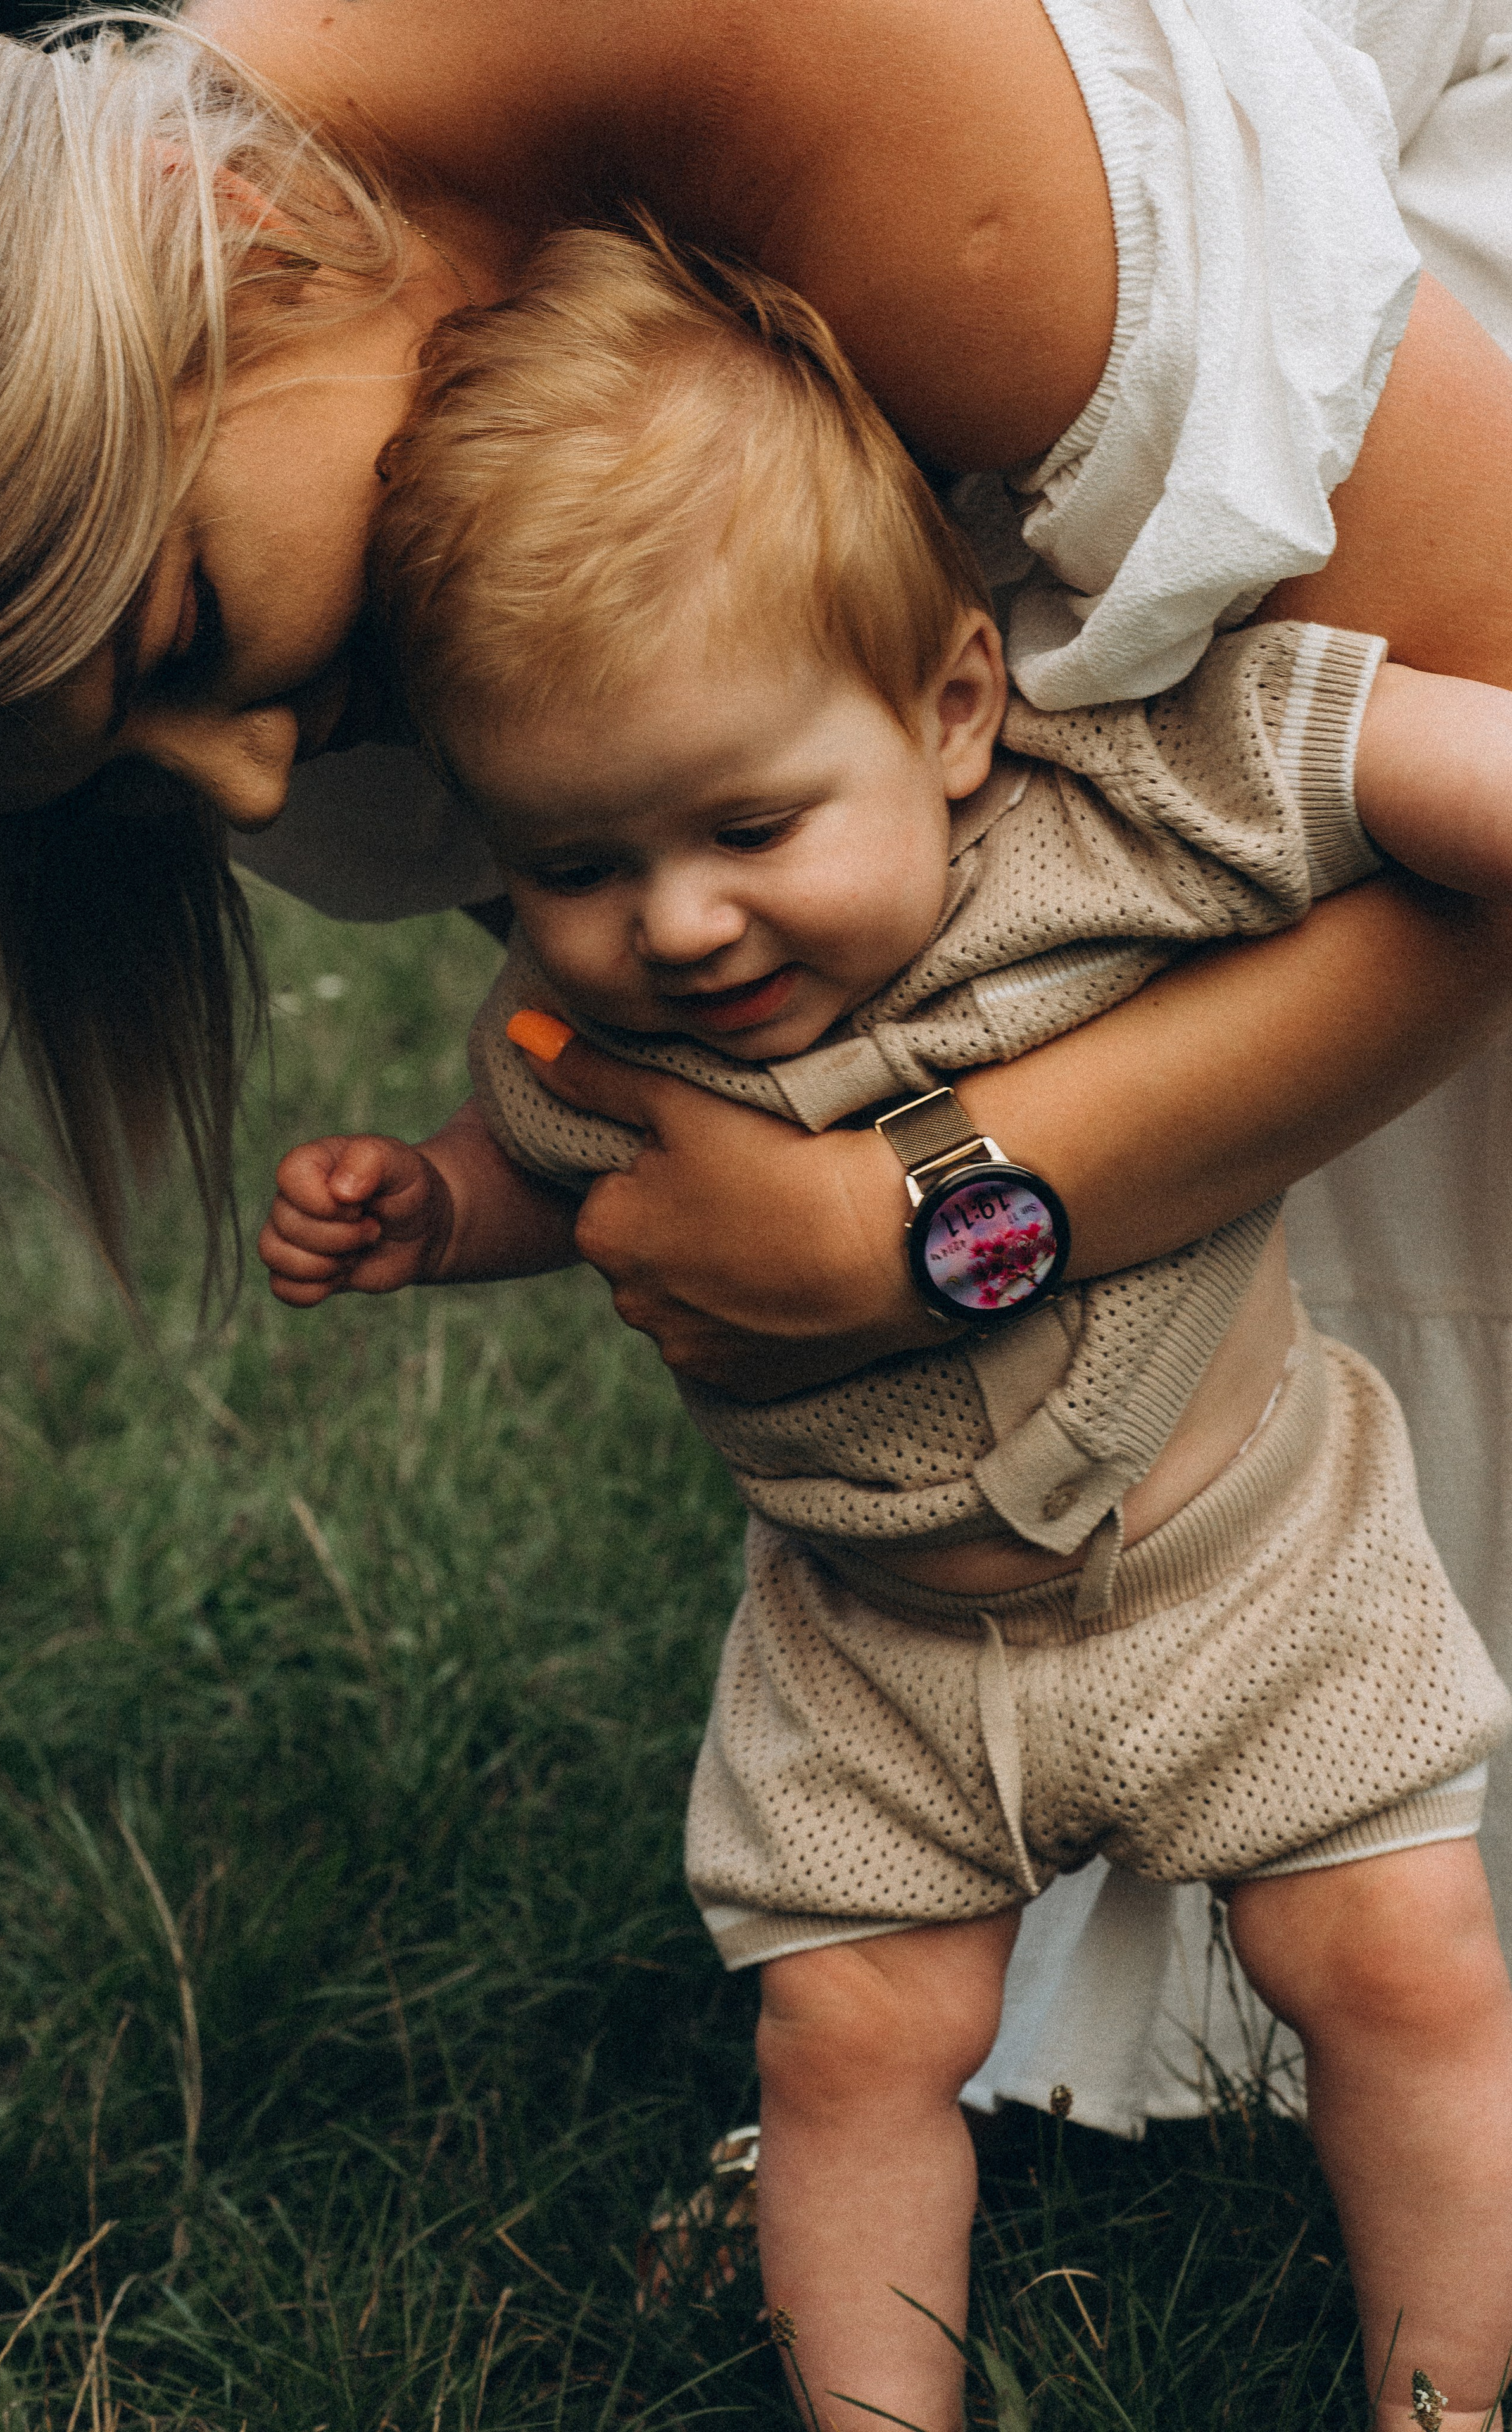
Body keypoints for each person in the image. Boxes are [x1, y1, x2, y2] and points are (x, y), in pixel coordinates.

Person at [0, 0, 1512, 2160]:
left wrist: (925, 1226)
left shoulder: (821, 85)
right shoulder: (289, 455)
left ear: (232, 239)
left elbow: (1459, 770)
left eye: (180, 639)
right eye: (119, 762)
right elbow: (806, 1019)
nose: (245, 778)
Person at [257, 227, 1512, 2432]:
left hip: (1251, 1568)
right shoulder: (597, 1024)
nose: (679, 921)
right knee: (846, 2039)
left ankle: (1446, 2398)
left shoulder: (1120, 804)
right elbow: (561, 1167)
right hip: (876, 1652)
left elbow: (1375, 759)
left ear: (949, 706)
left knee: (1399, 1965)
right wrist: (436, 1205)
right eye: (578, 860)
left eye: (748, 825)